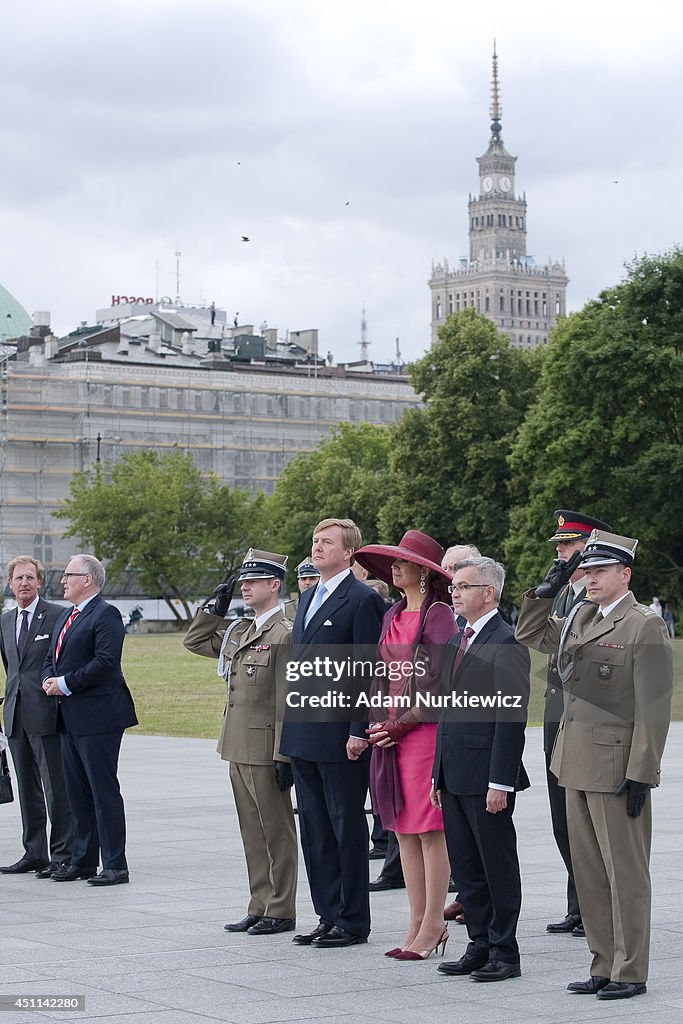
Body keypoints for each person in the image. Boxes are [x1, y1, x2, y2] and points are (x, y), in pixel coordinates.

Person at [515, 530, 673, 1000]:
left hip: (616, 765)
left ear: (625, 574)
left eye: (600, 570)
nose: (590, 578)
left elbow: (654, 704)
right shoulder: (579, 615)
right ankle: (603, 963)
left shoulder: (642, 624)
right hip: (574, 760)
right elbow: (528, 634)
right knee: (588, 872)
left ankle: (631, 969)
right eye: (586, 570)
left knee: (624, 872)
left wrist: (643, 771)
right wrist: (544, 592)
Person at [280, 518, 385, 948]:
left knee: (346, 826)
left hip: (341, 734)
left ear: (348, 552)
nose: (317, 548)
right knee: (316, 829)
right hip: (305, 731)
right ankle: (327, 913)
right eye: (315, 541)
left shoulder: (361, 600)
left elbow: (369, 670)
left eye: (326, 542)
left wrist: (360, 728)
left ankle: (353, 919)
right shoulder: (307, 598)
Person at [184, 549, 298, 935]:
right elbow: (196, 642)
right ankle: (259, 902)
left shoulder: (284, 632)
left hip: (266, 748)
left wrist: (284, 754)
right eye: (242, 582)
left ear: (274, 585)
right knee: (252, 830)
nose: (244, 587)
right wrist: (212, 610)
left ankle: (281, 908)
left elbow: (287, 698)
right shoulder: (241, 630)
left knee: (276, 831)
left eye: (253, 581)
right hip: (236, 744)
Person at [355, 531, 456, 960]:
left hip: (423, 733)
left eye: (403, 562)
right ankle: (415, 921)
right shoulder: (392, 612)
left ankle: (434, 924)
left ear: (424, 572)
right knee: (403, 832)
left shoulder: (439, 615)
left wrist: (399, 724)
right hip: (390, 733)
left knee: (430, 831)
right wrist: (376, 723)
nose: (395, 567)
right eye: (393, 562)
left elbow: (438, 683)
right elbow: (379, 674)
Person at [434, 557, 530, 982]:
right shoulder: (459, 639)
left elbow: (510, 720)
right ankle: (479, 943)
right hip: (454, 774)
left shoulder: (505, 643)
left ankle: (505, 952)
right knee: (467, 868)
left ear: (488, 593)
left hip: (486, 777)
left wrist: (500, 781)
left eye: (462, 586)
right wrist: (438, 773)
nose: (453, 592)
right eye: (453, 586)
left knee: (496, 866)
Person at [41, 554, 137, 886]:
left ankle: (114, 863)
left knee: (102, 790)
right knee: (77, 792)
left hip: (99, 717)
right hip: (69, 717)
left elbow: (106, 662)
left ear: (87, 579)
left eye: (68, 574)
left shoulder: (106, 614)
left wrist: (65, 684)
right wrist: (48, 679)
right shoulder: (67, 615)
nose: (62, 580)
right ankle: (82, 860)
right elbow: (51, 658)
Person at [539, 510, 612, 938]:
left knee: (587, 819)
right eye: (560, 547)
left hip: (583, 714)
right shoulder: (567, 594)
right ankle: (578, 902)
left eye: (569, 546)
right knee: (563, 817)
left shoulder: (598, 598)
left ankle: (593, 906)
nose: (562, 554)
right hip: (556, 712)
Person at [0, 557, 74, 877]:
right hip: (15, 715)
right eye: (19, 578)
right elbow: (10, 667)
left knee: (55, 787)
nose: (24, 583)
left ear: (40, 582)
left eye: (31, 577)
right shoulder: (4, 621)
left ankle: (62, 854)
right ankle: (34, 852)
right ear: (10, 583)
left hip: (47, 713)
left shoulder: (57, 615)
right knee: (27, 788)